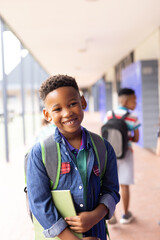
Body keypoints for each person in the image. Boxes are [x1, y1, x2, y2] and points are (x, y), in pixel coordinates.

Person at [27, 75, 120, 240]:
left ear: (83, 102)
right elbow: (40, 203)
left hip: (96, 234)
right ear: (47, 115)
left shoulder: (103, 147)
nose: (67, 113)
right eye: (57, 109)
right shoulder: (40, 154)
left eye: (72, 104)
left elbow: (111, 190)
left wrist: (95, 215)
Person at [104, 88, 141, 225]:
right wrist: (126, 137)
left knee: (110, 184)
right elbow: (136, 138)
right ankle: (125, 215)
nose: (135, 103)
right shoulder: (133, 117)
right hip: (126, 153)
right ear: (125, 100)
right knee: (124, 184)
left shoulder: (109, 114)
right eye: (134, 100)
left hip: (110, 154)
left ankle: (112, 215)